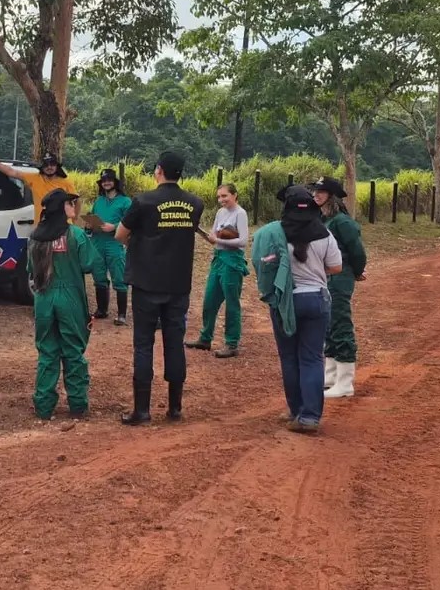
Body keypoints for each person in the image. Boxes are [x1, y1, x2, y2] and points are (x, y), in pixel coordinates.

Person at [115, 150, 204, 425]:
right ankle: (175, 408)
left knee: (144, 344)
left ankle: (142, 411)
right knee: (174, 342)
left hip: (147, 283)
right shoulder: (195, 203)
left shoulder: (142, 201)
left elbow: (120, 235)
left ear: (159, 170)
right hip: (178, 284)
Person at [254, 185, 341, 434]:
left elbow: (264, 266)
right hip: (316, 300)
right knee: (312, 358)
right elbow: (336, 267)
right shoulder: (325, 234)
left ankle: (296, 410)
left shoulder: (274, 234)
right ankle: (310, 417)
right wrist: (315, 271)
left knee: (289, 357)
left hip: (286, 302)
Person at [27, 188, 106, 419]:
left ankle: (43, 406)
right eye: (70, 203)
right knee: (73, 351)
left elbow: (31, 270)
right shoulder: (76, 235)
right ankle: (78, 405)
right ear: (63, 208)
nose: (74, 207)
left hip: (43, 298)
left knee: (47, 352)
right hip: (69, 298)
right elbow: (90, 264)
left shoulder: (35, 236)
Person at [311, 176, 368, 399]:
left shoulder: (341, 222)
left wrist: (356, 270)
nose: (316, 194)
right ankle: (331, 374)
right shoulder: (322, 219)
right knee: (328, 325)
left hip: (340, 276)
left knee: (340, 323)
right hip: (325, 276)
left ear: (331, 196)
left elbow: (357, 250)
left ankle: (345, 382)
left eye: (321, 192)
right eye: (315, 191)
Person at [187, 183, 250, 358]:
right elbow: (213, 237)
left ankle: (231, 343)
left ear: (235, 195)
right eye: (219, 197)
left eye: (225, 196)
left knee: (232, 303)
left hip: (232, 260)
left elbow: (243, 241)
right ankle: (205, 338)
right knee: (209, 300)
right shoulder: (220, 213)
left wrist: (219, 240)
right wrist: (205, 235)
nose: (221, 200)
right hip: (218, 259)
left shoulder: (240, 213)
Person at [87, 168, 133, 324]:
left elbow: (131, 222)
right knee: (98, 276)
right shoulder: (98, 201)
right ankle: (102, 309)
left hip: (115, 242)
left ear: (115, 182)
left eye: (109, 180)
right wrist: (89, 224)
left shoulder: (125, 202)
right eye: (103, 180)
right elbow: (92, 218)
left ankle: (121, 315)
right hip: (97, 241)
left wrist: (114, 226)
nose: (106, 183)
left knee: (119, 277)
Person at [0, 153, 76, 222]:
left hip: (62, 227)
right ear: (42, 167)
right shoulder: (34, 178)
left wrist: (74, 221)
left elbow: (76, 202)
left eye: (52, 164)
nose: (49, 167)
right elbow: (12, 172)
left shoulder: (66, 183)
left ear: (57, 166)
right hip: (41, 226)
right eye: (46, 165)